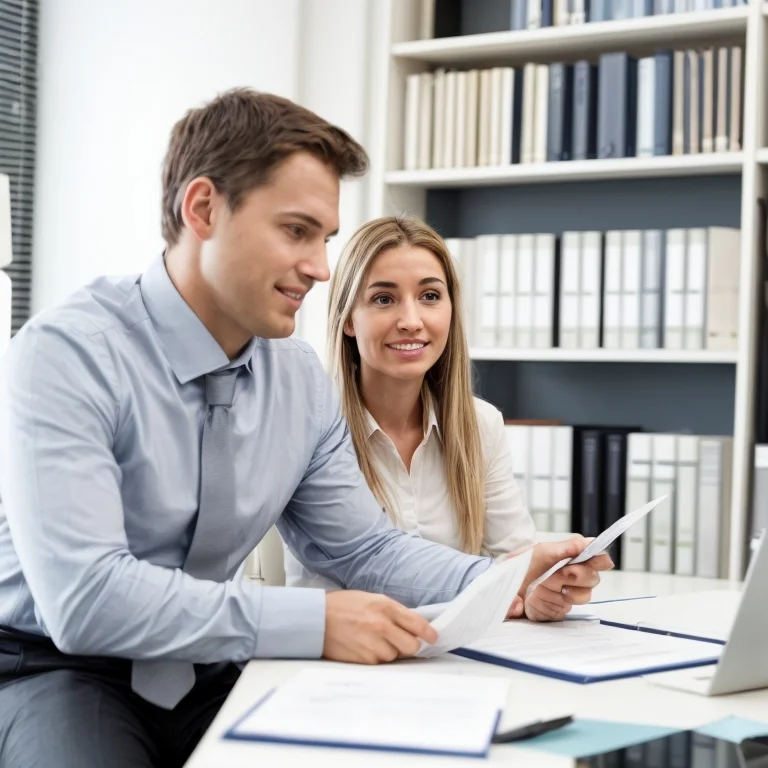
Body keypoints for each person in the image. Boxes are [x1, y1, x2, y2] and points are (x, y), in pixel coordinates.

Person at [0, 88, 609, 768]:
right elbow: (87, 600)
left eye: (325, 239)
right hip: (58, 665)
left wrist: (507, 578)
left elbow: (367, 552)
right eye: (297, 231)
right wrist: (314, 624)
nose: (321, 268)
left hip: (210, 664)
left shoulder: (296, 378)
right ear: (202, 208)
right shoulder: (65, 353)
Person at [283, 215, 601, 622]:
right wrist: (511, 579)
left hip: (459, 654)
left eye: (430, 296)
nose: (412, 320)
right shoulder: (315, 429)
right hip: (347, 660)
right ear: (347, 318)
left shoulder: (480, 424)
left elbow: (512, 554)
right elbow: (364, 566)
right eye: (384, 299)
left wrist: (540, 589)